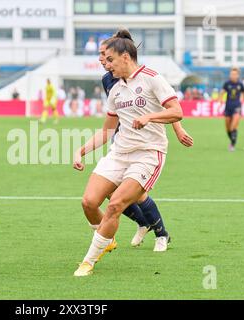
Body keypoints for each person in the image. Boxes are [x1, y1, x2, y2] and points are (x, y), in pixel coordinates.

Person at [72, 29, 184, 277]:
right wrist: (81, 150)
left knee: (116, 205)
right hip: (119, 153)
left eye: (109, 59)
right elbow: (106, 131)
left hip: (148, 154)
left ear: (125, 57)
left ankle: (88, 261)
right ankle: (107, 238)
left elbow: (177, 111)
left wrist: (150, 117)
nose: (106, 64)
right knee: (89, 202)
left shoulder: (153, 78)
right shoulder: (115, 90)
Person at [95, 35, 193, 253]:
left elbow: (163, 107)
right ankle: (143, 224)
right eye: (101, 55)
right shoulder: (108, 79)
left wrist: (178, 128)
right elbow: (114, 114)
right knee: (110, 191)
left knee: (135, 195)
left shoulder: (145, 76)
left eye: (104, 54)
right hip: (121, 139)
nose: (102, 59)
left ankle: (160, 233)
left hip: (145, 139)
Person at [218, 68, 244, 152]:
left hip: (237, 107)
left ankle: (232, 145)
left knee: (233, 127)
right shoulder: (227, 83)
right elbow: (222, 93)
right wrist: (220, 101)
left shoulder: (240, 84)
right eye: (231, 74)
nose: (233, 76)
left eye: (234, 74)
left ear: (237, 75)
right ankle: (232, 141)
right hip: (228, 107)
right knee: (228, 129)